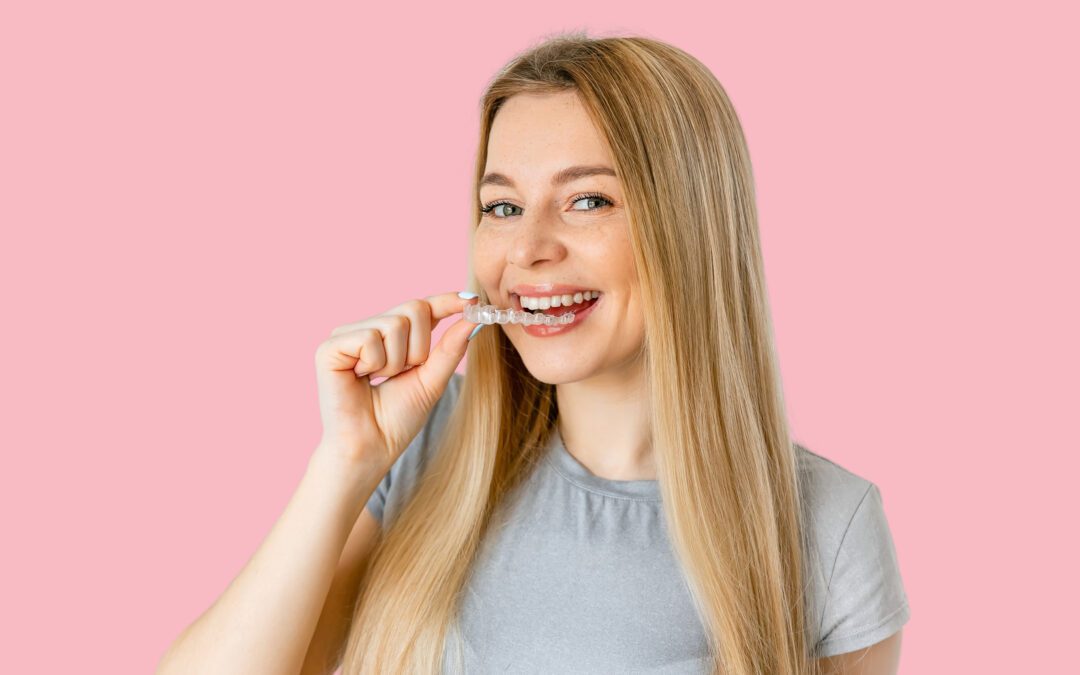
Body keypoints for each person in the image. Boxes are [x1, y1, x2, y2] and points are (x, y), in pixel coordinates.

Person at [157, 31, 910, 675]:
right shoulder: (424, 451)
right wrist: (347, 460)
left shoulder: (827, 525)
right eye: (502, 207)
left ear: (691, 226)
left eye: (587, 200)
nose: (526, 249)